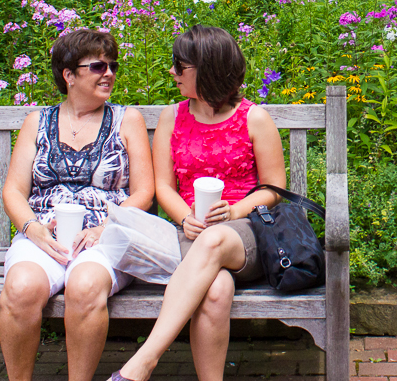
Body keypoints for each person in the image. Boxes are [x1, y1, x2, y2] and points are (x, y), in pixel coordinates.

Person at [112, 24, 286, 381]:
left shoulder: (254, 118)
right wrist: (184, 216)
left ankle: (144, 361)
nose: (172, 72)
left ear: (207, 69)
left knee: (214, 239)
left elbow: (274, 188)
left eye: (181, 66)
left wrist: (235, 210)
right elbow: (164, 185)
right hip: (190, 232)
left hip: (246, 231)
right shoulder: (172, 117)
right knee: (217, 289)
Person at [0, 29, 155, 381]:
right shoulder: (37, 122)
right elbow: (13, 191)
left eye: (113, 65)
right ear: (68, 75)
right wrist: (32, 229)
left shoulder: (127, 120)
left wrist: (106, 227)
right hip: (46, 235)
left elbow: (144, 191)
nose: (110, 73)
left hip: (108, 232)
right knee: (21, 288)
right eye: (99, 66)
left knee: (84, 286)